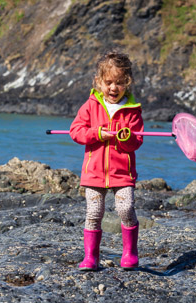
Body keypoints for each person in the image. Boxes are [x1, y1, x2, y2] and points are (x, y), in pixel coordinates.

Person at [70, 50, 144, 271]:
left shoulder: (132, 111)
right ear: (99, 81)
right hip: (93, 173)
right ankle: (91, 257)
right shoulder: (91, 105)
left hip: (122, 174)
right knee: (93, 214)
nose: (113, 88)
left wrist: (127, 138)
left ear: (127, 83)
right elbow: (76, 132)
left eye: (120, 83)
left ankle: (130, 252)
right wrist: (98, 133)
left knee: (126, 209)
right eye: (108, 82)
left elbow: (137, 141)